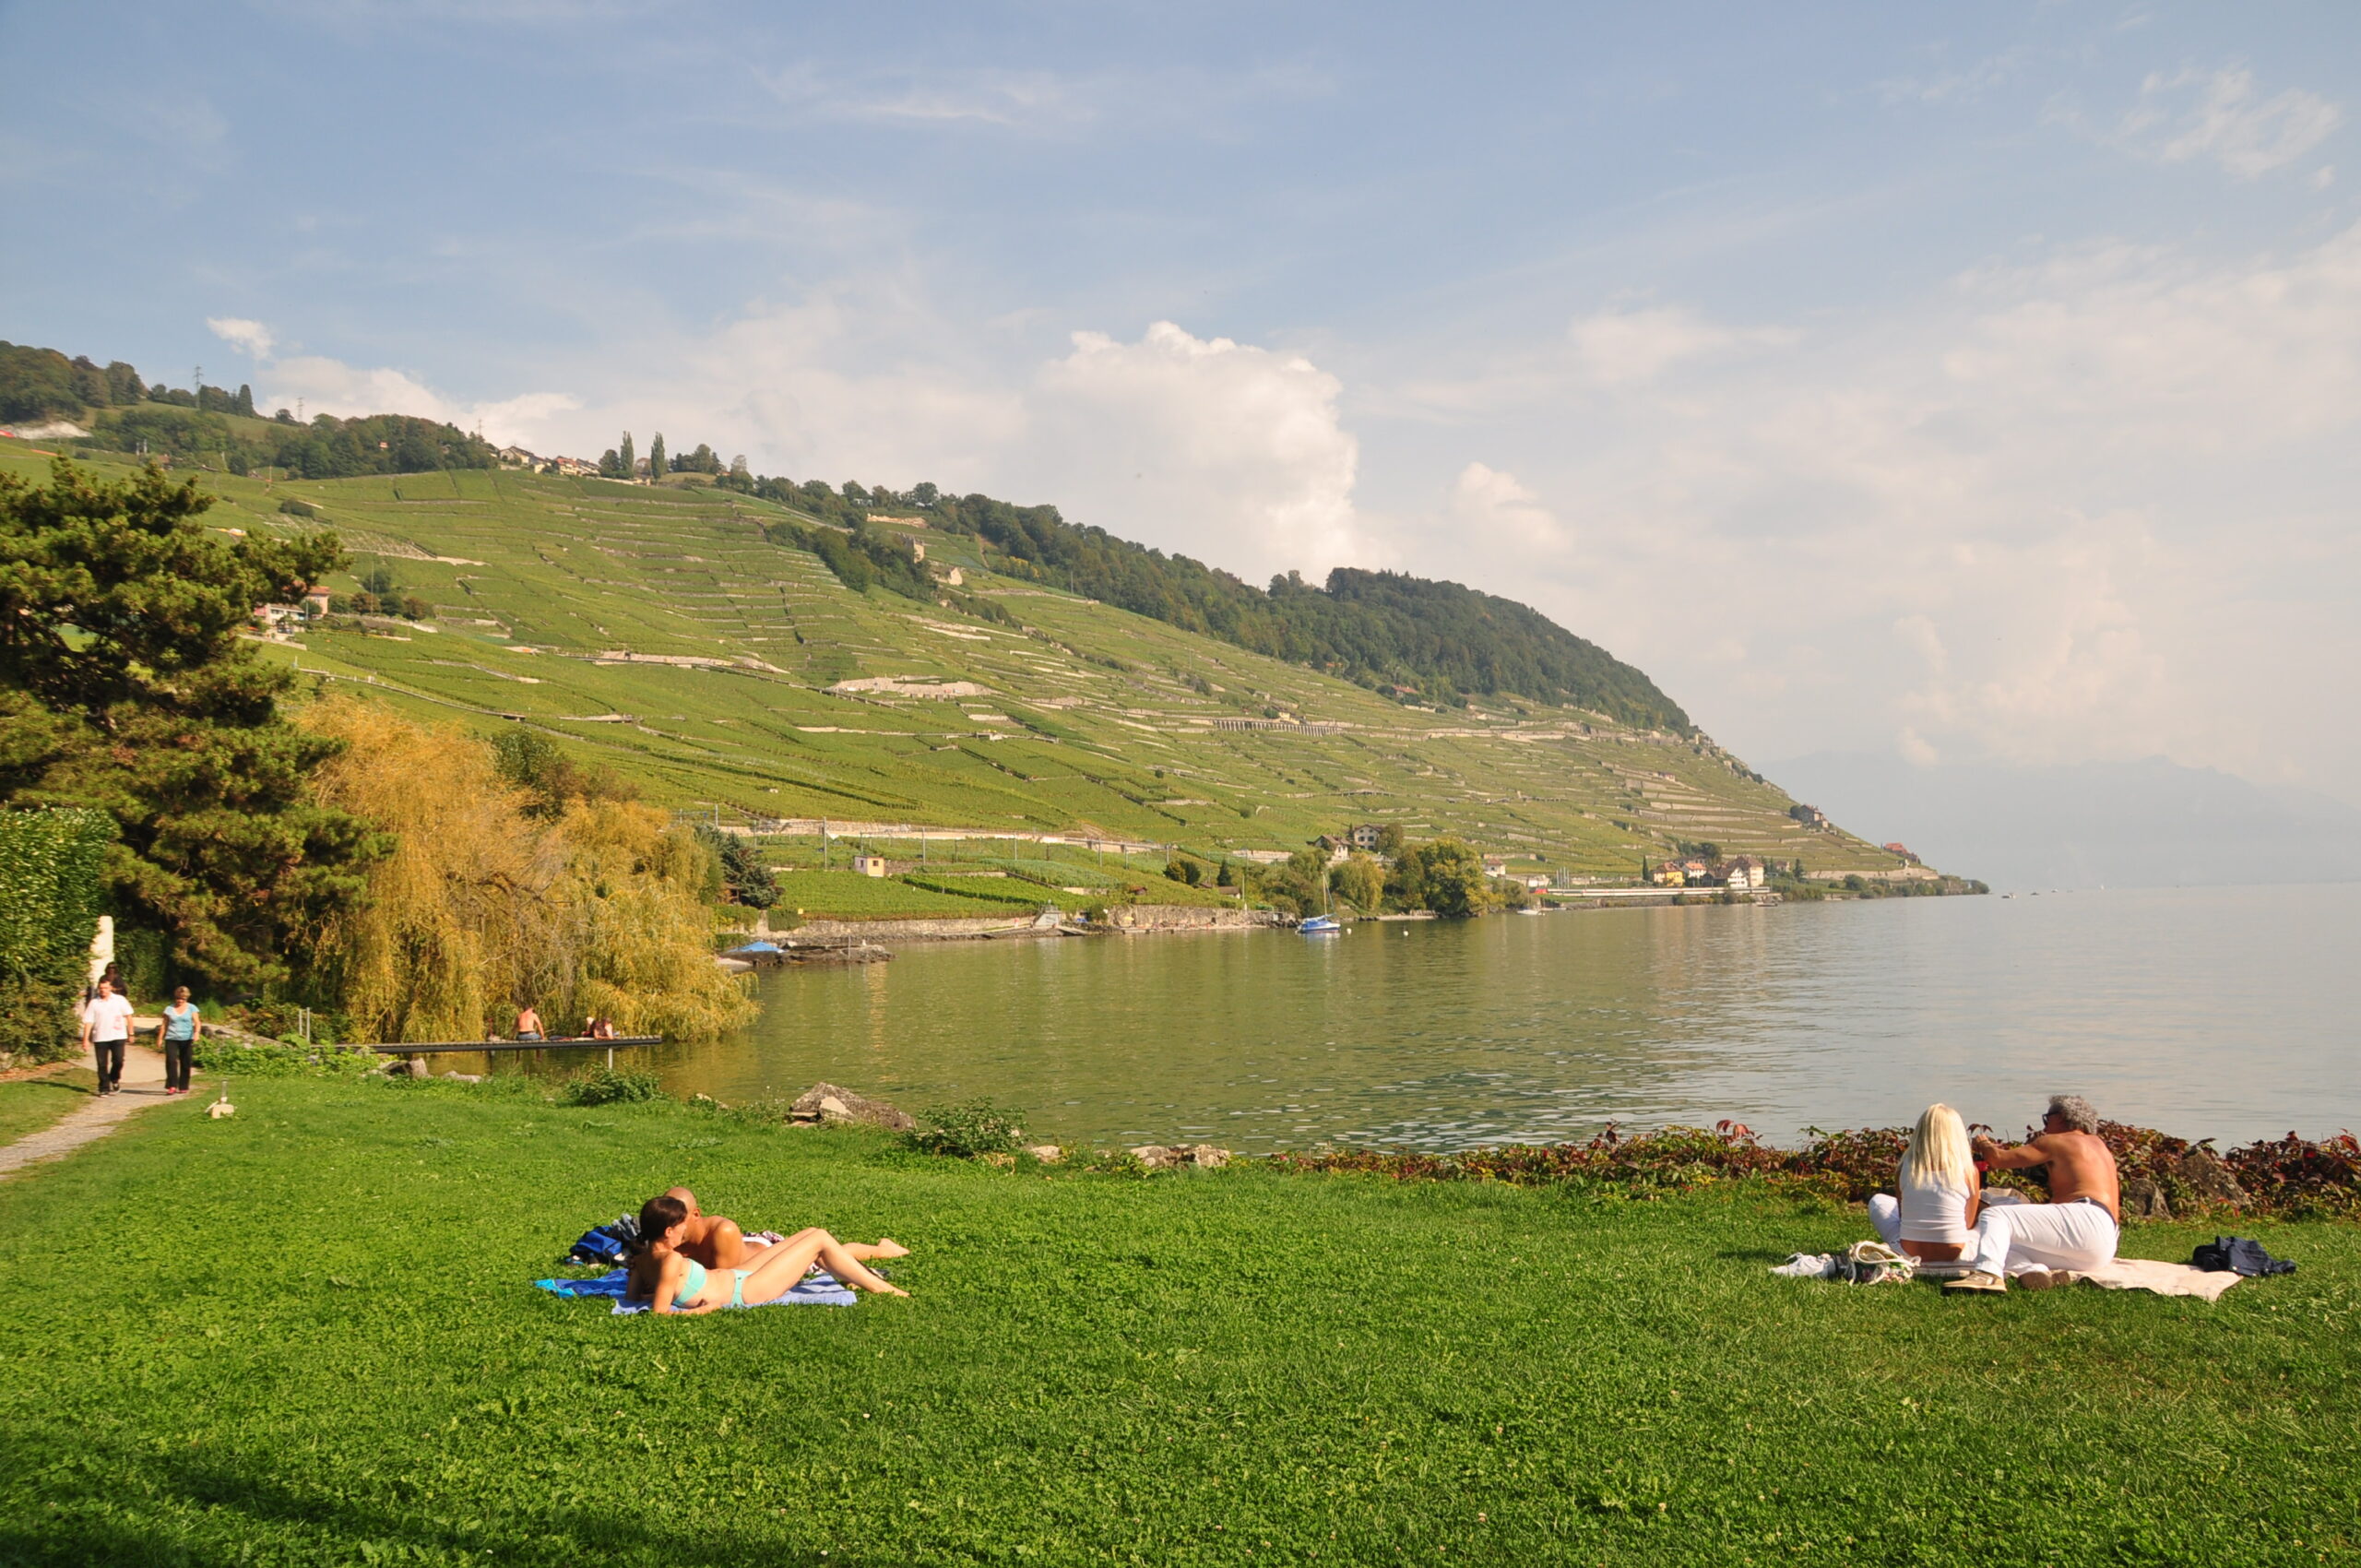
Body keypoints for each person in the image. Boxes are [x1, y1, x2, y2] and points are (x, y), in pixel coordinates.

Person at [1945, 1094, 2121, 1294]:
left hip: (2086, 1219)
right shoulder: (2098, 1144)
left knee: (1995, 1215)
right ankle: (2034, 1271)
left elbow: (1998, 1159)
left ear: (2061, 1117)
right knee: (2002, 1243)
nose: (2044, 1126)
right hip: (2102, 1247)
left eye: (2047, 1119)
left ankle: (1988, 1275)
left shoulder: (2057, 1140)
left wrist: (1983, 1143)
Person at [622, 1194, 908, 1313]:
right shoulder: (671, 1259)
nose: (687, 1229)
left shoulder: (640, 1260)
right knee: (820, 1238)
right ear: (669, 1231)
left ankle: (862, 1273)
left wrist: (663, 1293)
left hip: (736, 1276)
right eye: (682, 1226)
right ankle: (885, 1290)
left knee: (810, 1232)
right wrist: (702, 1310)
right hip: (745, 1291)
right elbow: (660, 1315)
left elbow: (633, 1300)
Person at [1868, 1103, 1985, 1262]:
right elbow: (1968, 1224)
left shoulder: (1905, 1168)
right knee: (1992, 1218)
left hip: (1908, 1252)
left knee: (1878, 1201)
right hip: (1958, 1254)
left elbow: (1903, 1218)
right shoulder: (1968, 1171)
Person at [80, 976, 136, 1096]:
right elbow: (88, 1021)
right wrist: (85, 1040)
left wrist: (131, 1033)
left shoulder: (120, 1000)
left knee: (118, 1060)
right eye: (101, 988)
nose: (103, 990)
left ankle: (114, 1078)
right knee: (102, 1064)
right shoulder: (94, 1003)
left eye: (106, 988)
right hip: (100, 1037)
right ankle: (104, 1087)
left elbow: (129, 1016)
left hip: (118, 1035)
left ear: (111, 988)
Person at [157, 986, 202, 1097]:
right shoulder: (169, 1009)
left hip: (187, 1038)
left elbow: (197, 1022)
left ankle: (183, 1085)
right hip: (171, 1038)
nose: (180, 1001)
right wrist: (160, 1038)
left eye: (183, 999)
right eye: (178, 998)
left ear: (187, 998)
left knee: (185, 1062)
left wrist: (196, 1033)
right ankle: (172, 1085)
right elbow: (164, 1024)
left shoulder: (192, 1008)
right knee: (171, 1061)